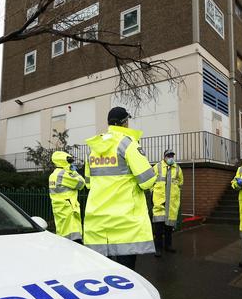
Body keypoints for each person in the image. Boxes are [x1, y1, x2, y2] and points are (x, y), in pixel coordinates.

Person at [83, 106, 157, 269]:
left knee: (105, 277)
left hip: (98, 224)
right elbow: (147, 181)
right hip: (124, 224)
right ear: (125, 123)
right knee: (127, 277)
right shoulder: (127, 144)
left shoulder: (94, 149)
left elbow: (88, 183)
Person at [151, 148, 183, 257]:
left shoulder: (177, 168)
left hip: (171, 203)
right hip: (159, 203)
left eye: (172, 156)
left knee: (168, 228)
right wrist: (153, 194)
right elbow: (150, 181)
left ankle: (168, 246)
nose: (170, 158)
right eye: (168, 156)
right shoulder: (157, 167)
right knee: (158, 228)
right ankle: (158, 248)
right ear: (164, 157)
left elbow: (180, 182)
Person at [48, 151, 85, 243]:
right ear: (64, 161)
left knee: (62, 236)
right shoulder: (63, 174)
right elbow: (81, 183)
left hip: (60, 209)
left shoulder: (53, 175)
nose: (71, 163)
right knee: (74, 240)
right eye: (69, 160)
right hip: (68, 210)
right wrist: (75, 172)